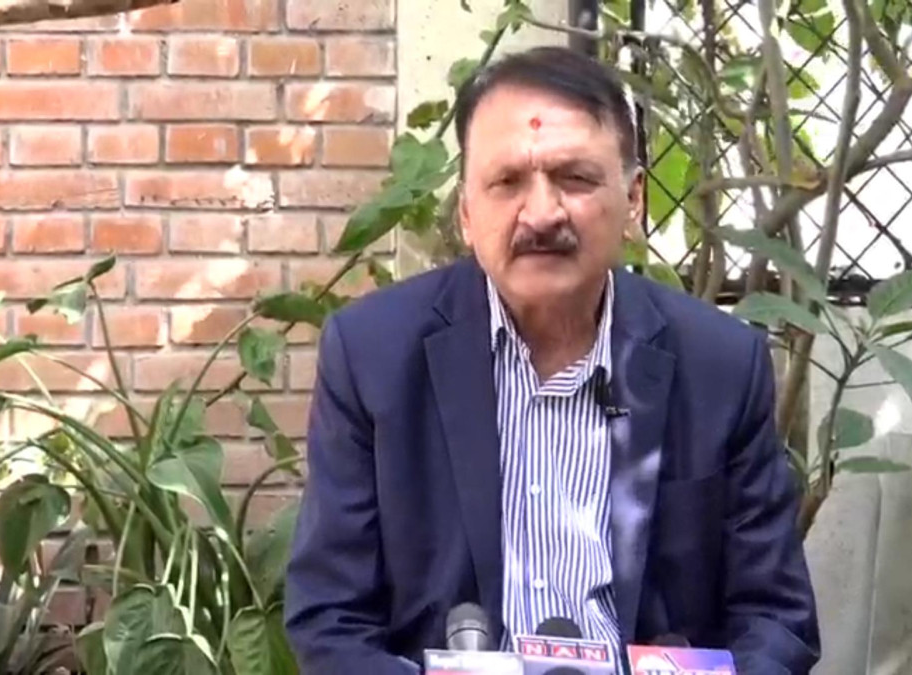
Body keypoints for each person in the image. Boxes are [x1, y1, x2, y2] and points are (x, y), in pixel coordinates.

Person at [284, 45, 820, 674]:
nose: (541, 215)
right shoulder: (373, 353)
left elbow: (774, 618)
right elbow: (330, 616)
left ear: (635, 201)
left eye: (575, 179)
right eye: (507, 182)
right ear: (466, 212)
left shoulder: (720, 364)